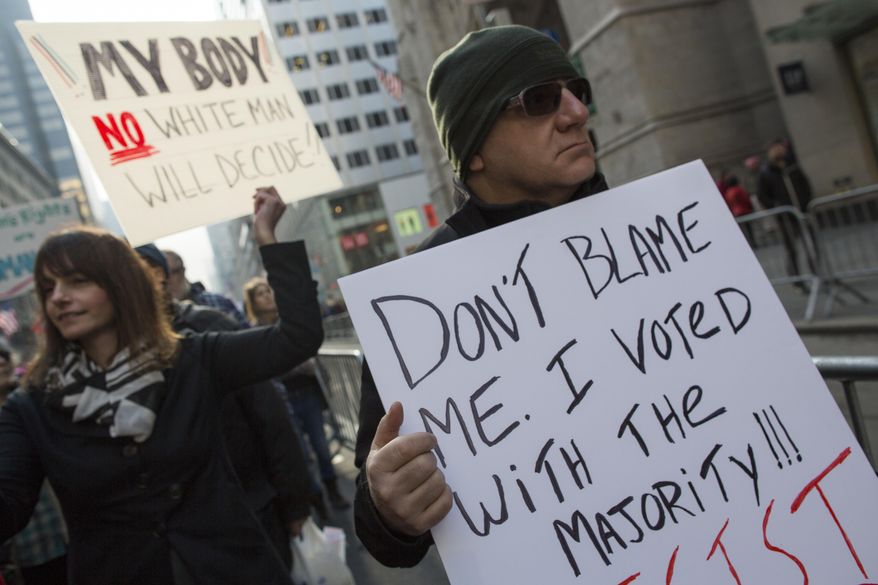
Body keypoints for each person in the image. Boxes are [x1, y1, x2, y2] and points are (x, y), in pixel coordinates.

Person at [352, 25, 607, 567]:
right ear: (474, 153)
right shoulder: (414, 301)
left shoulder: (655, 240)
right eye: (538, 100)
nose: (575, 113)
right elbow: (380, 518)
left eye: (575, 91)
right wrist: (388, 507)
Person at [0, 187, 323, 584]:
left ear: (121, 285)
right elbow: (8, 505)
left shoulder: (194, 359)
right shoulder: (30, 406)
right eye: (48, 289)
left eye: (77, 282)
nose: (59, 298)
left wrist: (268, 239)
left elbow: (297, 338)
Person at [135, 244, 312, 571]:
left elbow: (268, 411)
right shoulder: (119, 357)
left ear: (157, 277)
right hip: (185, 534)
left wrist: (294, 500)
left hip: (251, 505)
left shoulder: (207, 328)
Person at [244, 277, 351, 513]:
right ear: (253, 302)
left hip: (308, 394)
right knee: (301, 456)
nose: (267, 296)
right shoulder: (254, 333)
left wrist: (321, 378)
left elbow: (308, 352)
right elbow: (266, 368)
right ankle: (316, 498)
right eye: (260, 293)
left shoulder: (288, 323)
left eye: (268, 291)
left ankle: (332, 490)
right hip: (283, 402)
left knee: (321, 448)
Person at [756, 139, 817, 279]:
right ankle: (797, 280)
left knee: (812, 246)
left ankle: (817, 274)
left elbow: (805, 186)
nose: (778, 151)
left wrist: (806, 203)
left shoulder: (793, 167)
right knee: (792, 250)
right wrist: (777, 207)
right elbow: (762, 196)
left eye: (780, 147)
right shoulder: (766, 173)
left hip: (802, 212)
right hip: (785, 218)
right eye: (774, 148)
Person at [163, 249, 249, 328]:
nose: (169, 280)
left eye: (174, 272)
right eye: (162, 276)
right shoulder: (160, 320)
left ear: (183, 270)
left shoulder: (218, 302)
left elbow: (248, 335)